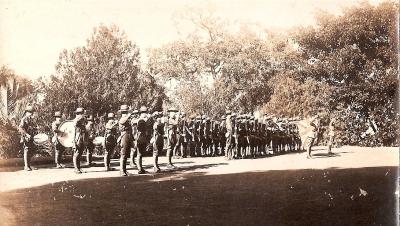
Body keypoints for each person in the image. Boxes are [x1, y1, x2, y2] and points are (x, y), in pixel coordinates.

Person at [18, 105, 37, 171]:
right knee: (26, 150)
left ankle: (29, 165)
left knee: (30, 151)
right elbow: (20, 128)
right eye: (30, 112)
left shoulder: (30, 119)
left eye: (31, 112)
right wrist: (26, 134)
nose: (31, 114)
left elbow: (31, 128)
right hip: (25, 137)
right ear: (26, 112)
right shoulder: (24, 119)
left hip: (30, 137)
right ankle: (26, 166)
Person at [117, 105, 134, 176]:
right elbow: (123, 121)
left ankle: (124, 170)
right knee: (123, 154)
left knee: (126, 153)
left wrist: (132, 138)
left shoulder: (127, 118)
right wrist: (129, 115)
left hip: (128, 135)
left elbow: (130, 129)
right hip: (124, 136)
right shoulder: (122, 118)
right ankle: (122, 170)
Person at [135, 106, 149, 174]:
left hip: (142, 137)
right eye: (144, 112)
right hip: (140, 137)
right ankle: (139, 169)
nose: (145, 114)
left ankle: (140, 168)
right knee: (139, 154)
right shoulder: (141, 120)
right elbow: (139, 129)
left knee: (140, 154)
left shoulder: (142, 120)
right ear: (142, 113)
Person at [72, 107, 86, 174]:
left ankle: (79, 167)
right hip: (78, 137)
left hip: (82, 136)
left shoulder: (81, 119)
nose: (82, 114)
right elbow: (75, 125)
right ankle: (76, 168)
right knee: (77, 153)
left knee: (80, 153)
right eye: (81, 113)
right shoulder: (76, 119)